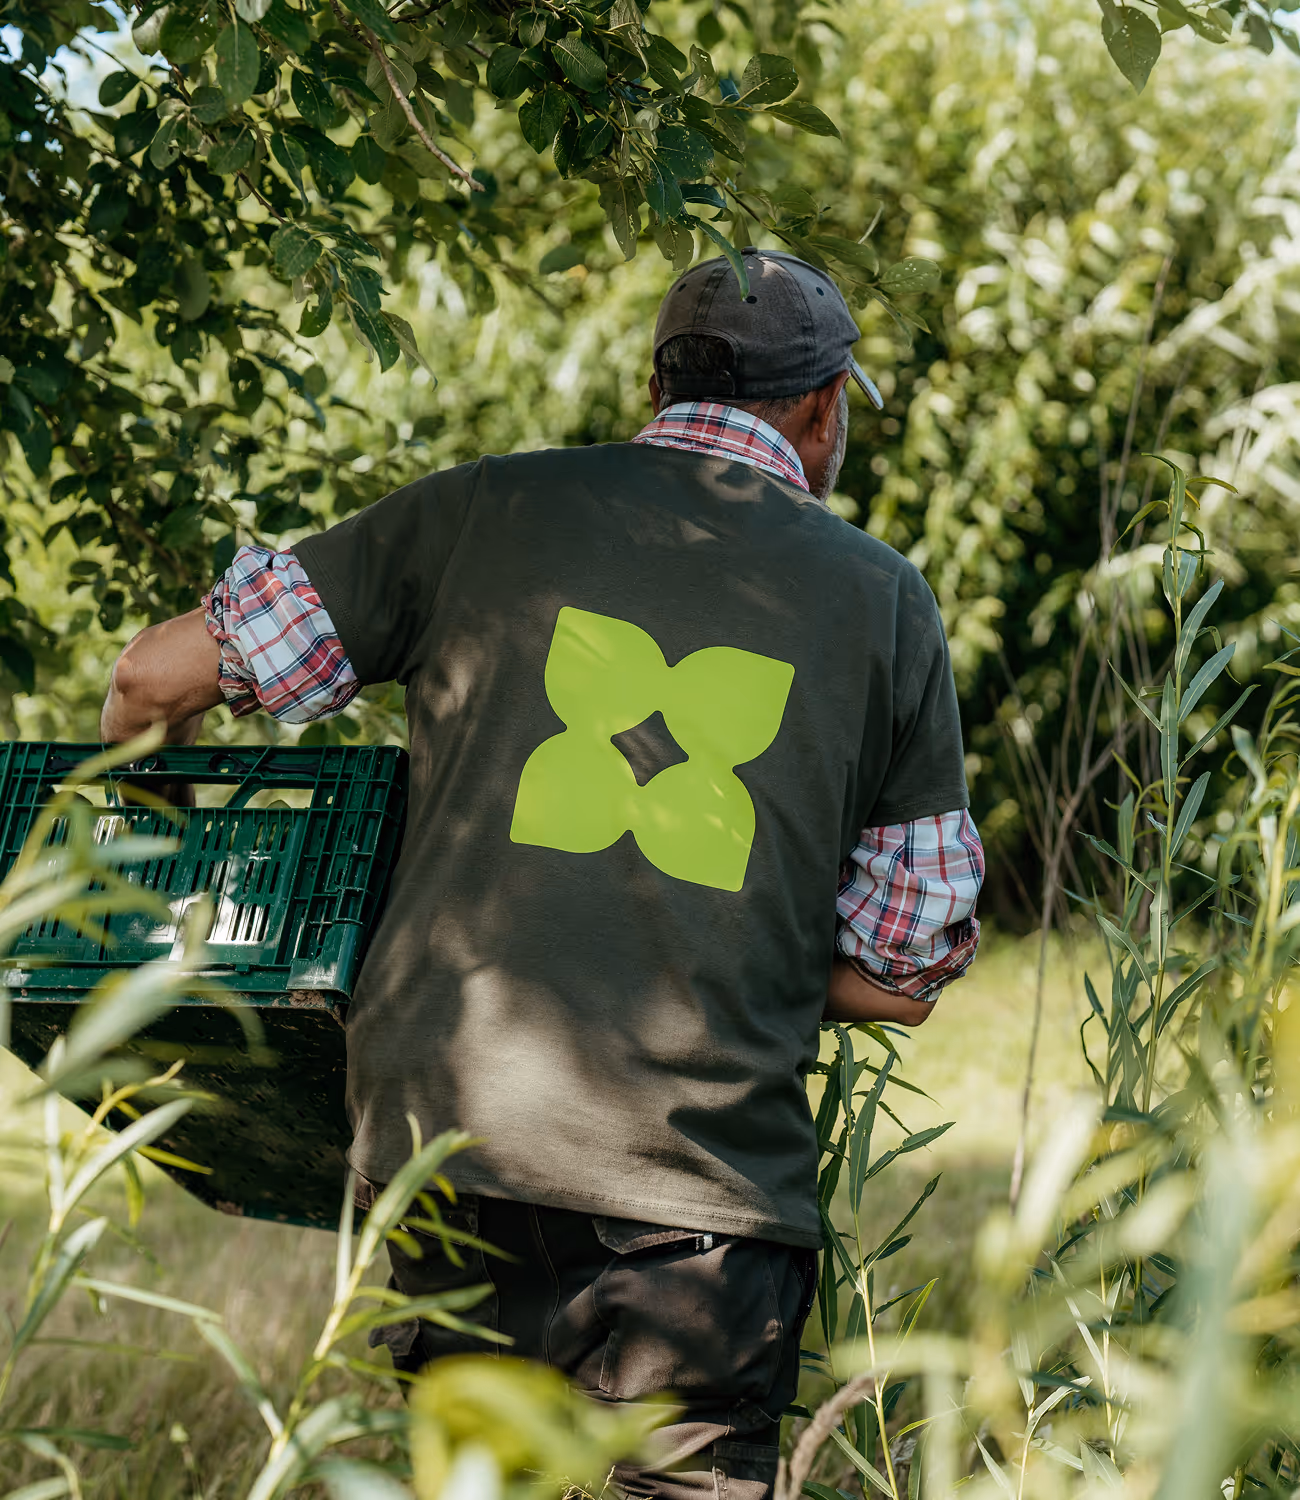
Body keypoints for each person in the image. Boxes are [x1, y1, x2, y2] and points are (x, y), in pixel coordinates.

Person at [101, 249, 983, 1500]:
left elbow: (149, 680)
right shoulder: (886, 604)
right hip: (700, 1205)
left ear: (657, 378)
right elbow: (905, 971)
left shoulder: (482, 508)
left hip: (451, 1149)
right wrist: (735, 938)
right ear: (822, 407)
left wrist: (154, 842)